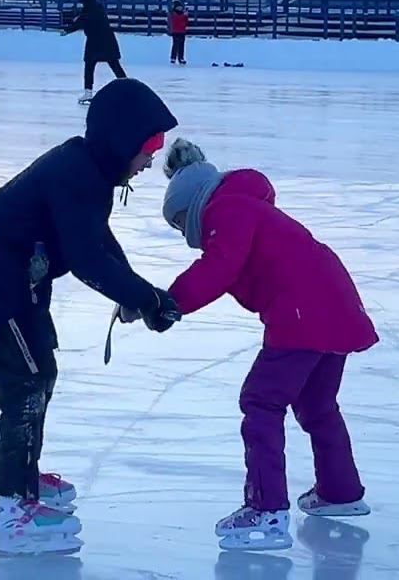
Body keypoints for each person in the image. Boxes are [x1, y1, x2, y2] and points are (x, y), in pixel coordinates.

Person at [0, 78, 182, 556]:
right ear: (122, 140)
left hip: (16, 286)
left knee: (40, 374)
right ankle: (13, 503)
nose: (150, 160)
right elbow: (86, 259)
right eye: (147, 149)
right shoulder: (77, 174)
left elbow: (97, 240)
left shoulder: (87, 171)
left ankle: (24, 476)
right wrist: (145, 299)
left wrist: (136, 291)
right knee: (26, 383)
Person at [152, 139, 378, 551]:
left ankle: (267, 508)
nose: (182, 232)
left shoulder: (227, 209)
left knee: (260, 402)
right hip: (336, 305)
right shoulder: (244, 205)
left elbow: (219, 268)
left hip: (303, 314)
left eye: (178, 220)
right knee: (317, 406)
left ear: (193, 205)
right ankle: (340, 491)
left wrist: (168, 304)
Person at [61, 0, 126, 104]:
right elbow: (81, 20)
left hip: (95, 42)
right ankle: (127, 86)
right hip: (107, 41)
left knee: (90, 66)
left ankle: (88, 92)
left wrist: (67, 30)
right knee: (114, 64)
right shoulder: (97, 8)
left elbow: (80, 22)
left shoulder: (89, 10)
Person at [168, 0, 189, 65]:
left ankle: (181, 58)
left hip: (182, 31)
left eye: (180, 7)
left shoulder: (182, 14)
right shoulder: (173, 13)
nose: (180, 8)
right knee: (175, 44)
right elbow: (176, 20)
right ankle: (173, 57)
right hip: (176, 31)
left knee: (181, 45)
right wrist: (184, 16)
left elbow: (186, 22)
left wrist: (186, 16)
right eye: (178, 7)